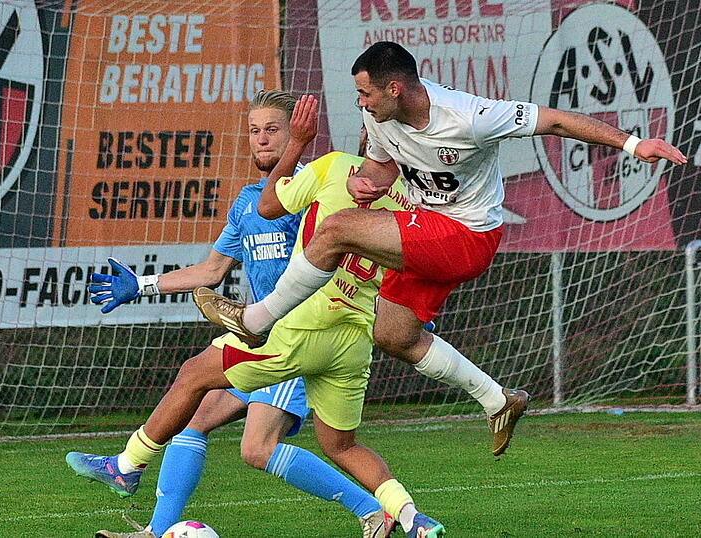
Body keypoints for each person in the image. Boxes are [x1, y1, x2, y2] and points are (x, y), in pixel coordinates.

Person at [193, 41, 689, 457]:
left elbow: (555, 122)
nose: (360, 102)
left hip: (468, 236)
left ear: (395, 88)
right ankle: (497, 399)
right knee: (392, 334)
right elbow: (383, 167)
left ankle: (255, 321)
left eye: (365, 92)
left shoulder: (468, 116)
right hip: (429, 230)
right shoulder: (382, 120)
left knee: (338, 228)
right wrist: (369, 181)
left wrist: (632, 144)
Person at [71, 94, 446, 538]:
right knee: (198, 419)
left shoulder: (314, 189)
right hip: (259, 334)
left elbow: (363, 247)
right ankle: (155, 527)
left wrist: (402, 313)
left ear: (297, 135)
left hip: (299, 333)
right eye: (254, 130)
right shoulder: (250, 202)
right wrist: (144, 284)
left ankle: (373, 511)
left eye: (273, 129)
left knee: (252, 440)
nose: (262, 139)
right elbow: (212, 270)